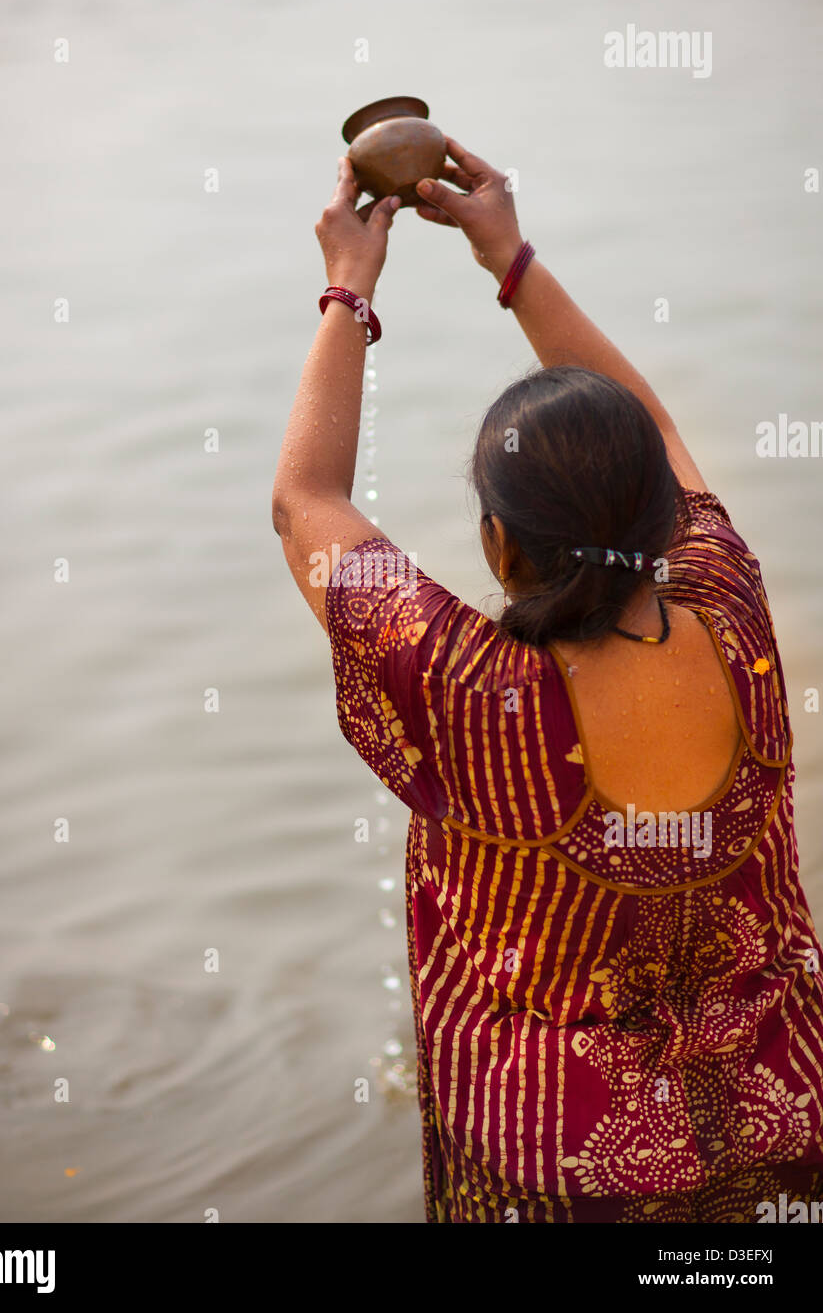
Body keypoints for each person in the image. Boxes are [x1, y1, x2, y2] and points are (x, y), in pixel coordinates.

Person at [271, 135, 823, 1223]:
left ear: (497, 546)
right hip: (780, 1128)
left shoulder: (466, 692)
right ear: (667, 524)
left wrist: (348, 285)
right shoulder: (731, 608)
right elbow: (654, 424)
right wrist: (508, 258)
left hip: (556, 1175)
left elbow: (306, 501)